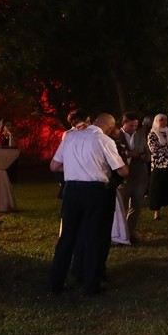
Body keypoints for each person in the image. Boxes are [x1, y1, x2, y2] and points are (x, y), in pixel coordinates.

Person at [48, 113, 128, 295]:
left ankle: (55, 283)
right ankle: (91, 285)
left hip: (72, 191)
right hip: (94, 191)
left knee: (67, 237)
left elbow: (54, 166)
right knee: (92, 237)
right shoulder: (103, 140)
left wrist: (74, 166)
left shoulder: (70, 136)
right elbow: (122, 170)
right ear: (109, 127)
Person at [115, 111, 150, 243]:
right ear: (123, 124)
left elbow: (148, 155)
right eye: (131, 126)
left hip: (140, 175)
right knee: (121, 205)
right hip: (123, 176)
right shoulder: (116, 136)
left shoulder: (141, 136)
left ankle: (129, 233)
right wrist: (128, 154)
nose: (133, 128)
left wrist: (142, 156)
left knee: (136, 205)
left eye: (135, 125)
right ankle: (119, 234)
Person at [147, 114, 168, 219]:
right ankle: (157, 213)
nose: (164, 122)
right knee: (157, 189)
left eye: (165, 120)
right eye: (161, 120)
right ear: (157, 121)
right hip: (159, 166)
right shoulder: (152, 134)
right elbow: (154, 149)